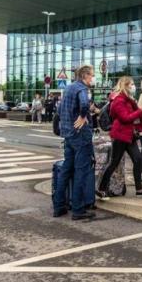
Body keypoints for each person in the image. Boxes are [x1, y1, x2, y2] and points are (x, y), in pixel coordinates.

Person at [97, 76, 142, 198]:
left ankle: (139, 189)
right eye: (131, 84)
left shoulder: (128, 100)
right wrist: (140, 111)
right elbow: (125, 118)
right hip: (120, 135)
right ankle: (101, 189)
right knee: (114, 162)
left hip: (129, 135)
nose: (133, 86)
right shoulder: (119, 100)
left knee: (138, 160)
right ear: (125, 86)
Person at [52, 65, 96, 220]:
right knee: (81, 171)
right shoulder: (82, 89)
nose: (93, 78)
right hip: (81, 135)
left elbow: (59, 110)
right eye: (92, 75)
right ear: (85, 75)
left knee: (66, 170)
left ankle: (58, 206)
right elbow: (84, 104)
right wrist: (84, 116)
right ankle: (78, 209)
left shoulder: (69, 88)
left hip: (68, 136)